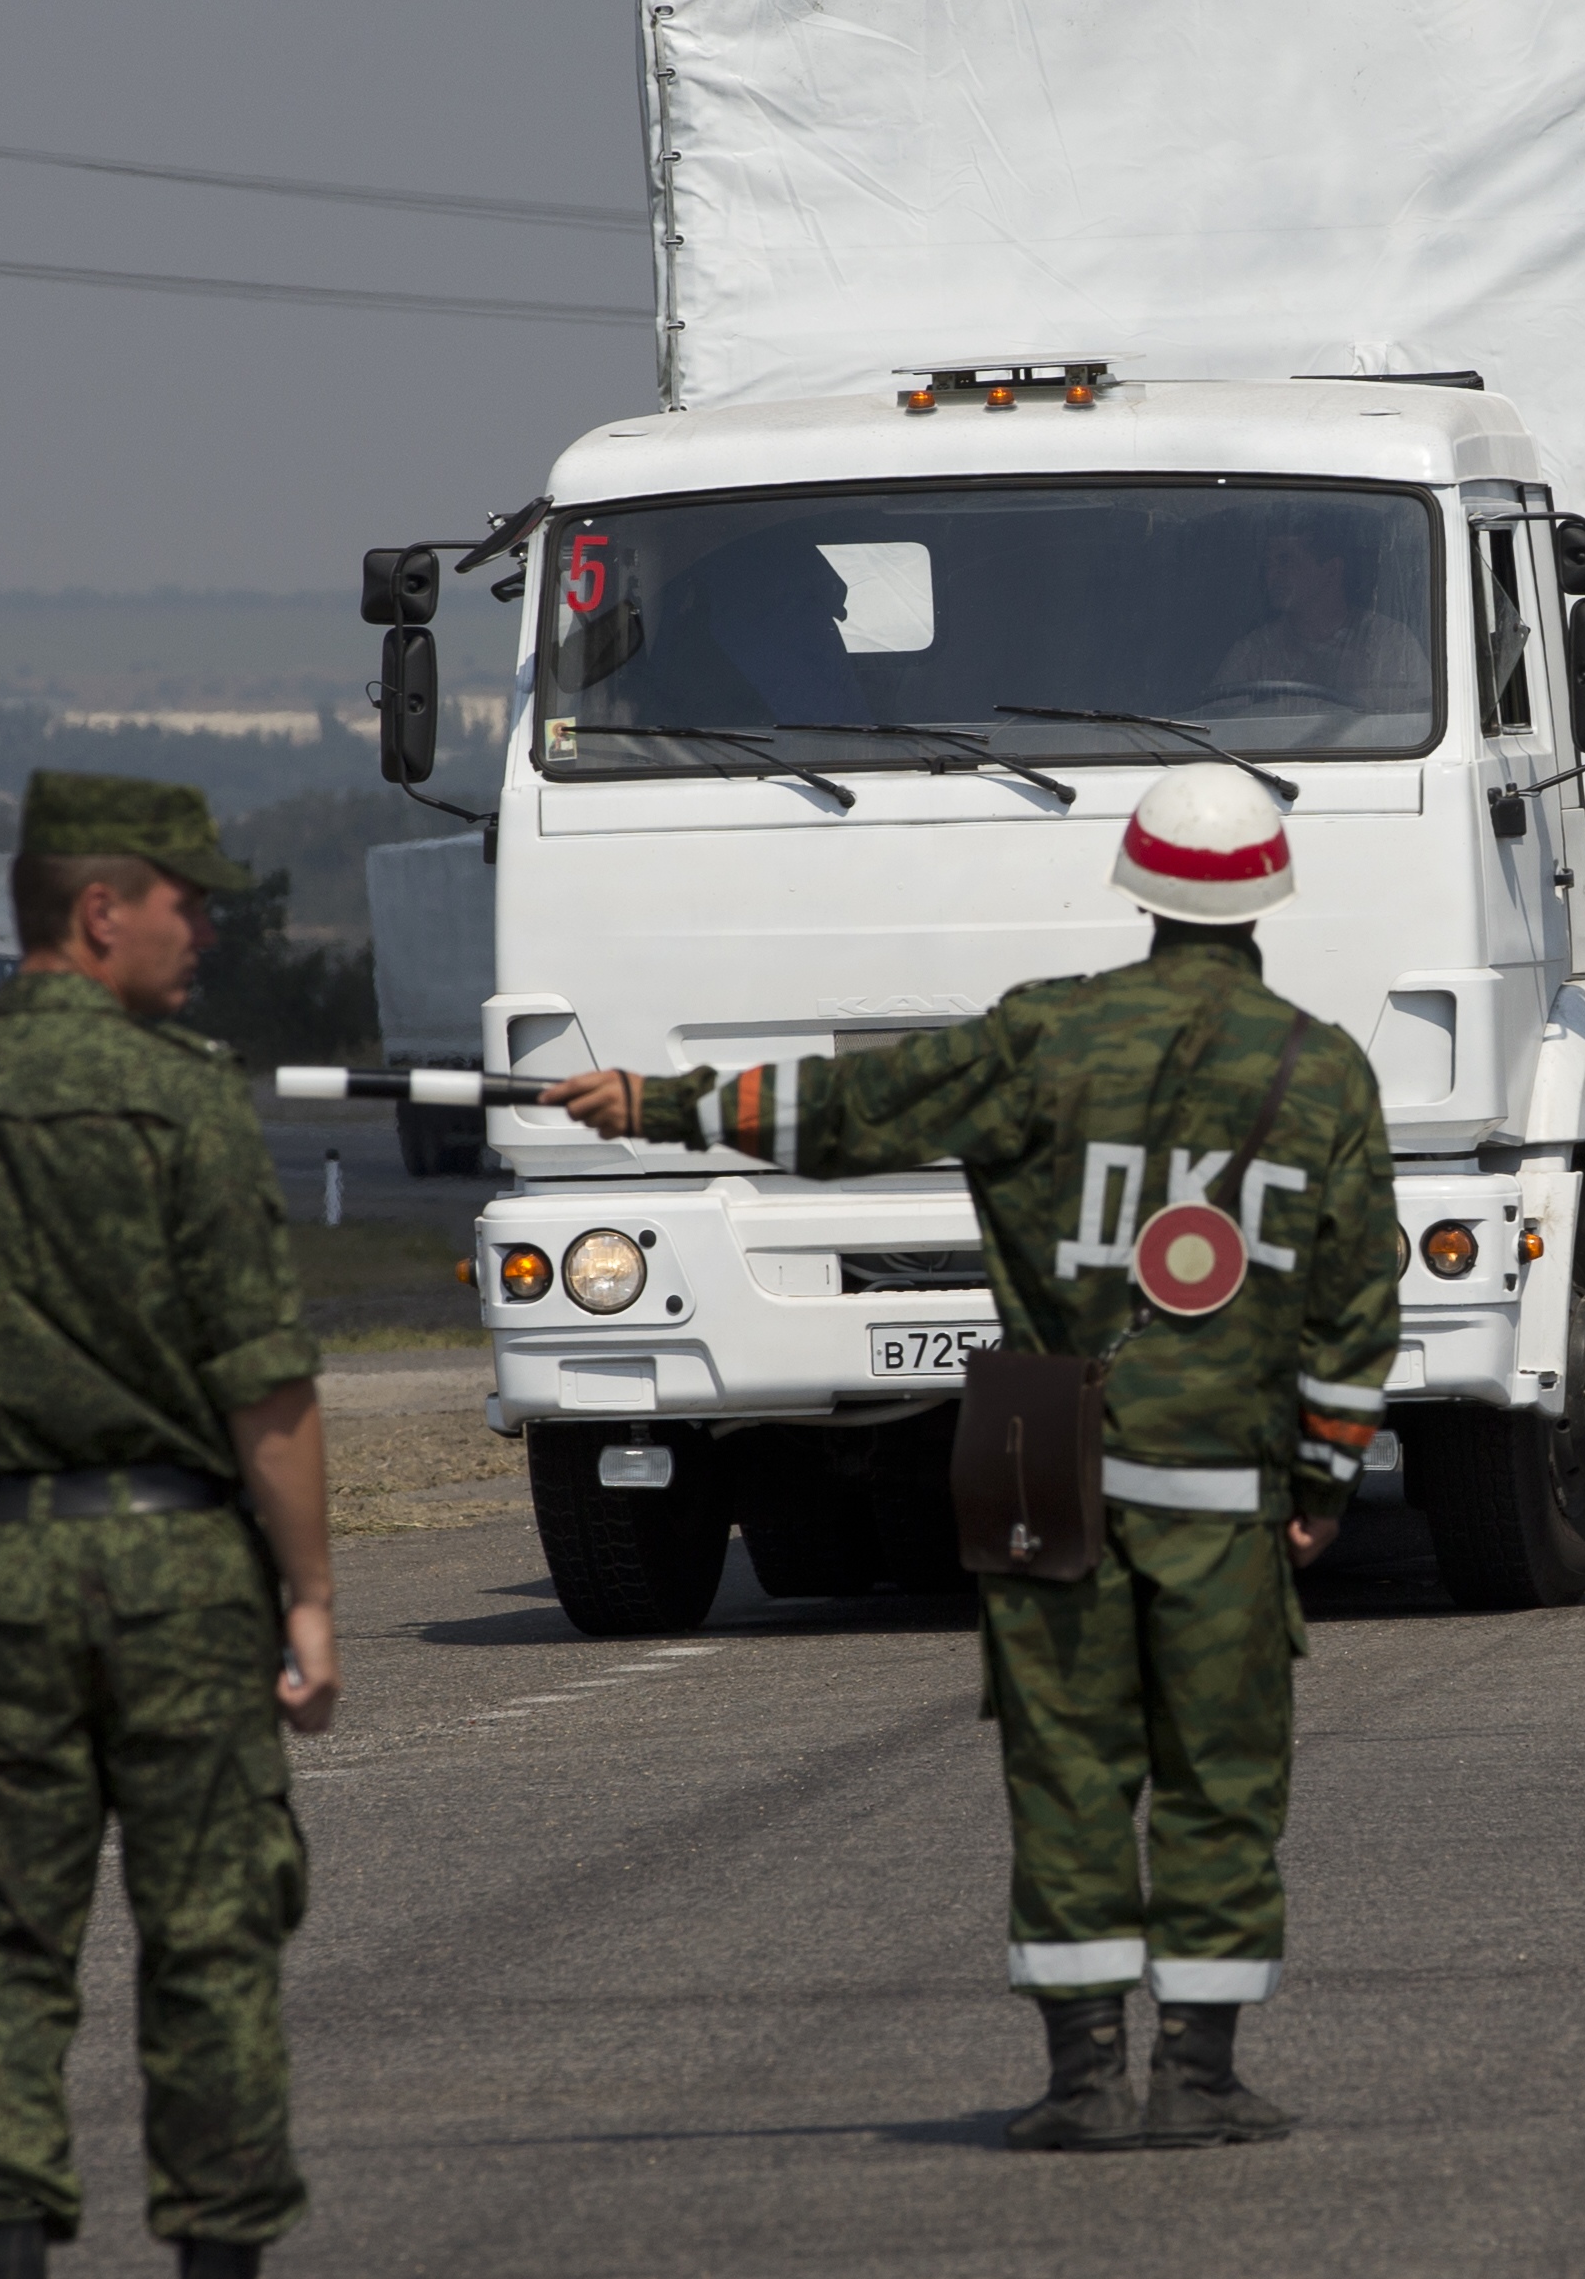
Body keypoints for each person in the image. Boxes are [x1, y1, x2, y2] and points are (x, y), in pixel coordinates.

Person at [548, 760, 1396, 2150]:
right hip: (1219, 1486)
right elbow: (1358, 1303)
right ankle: (1196, 2075)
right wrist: (1320, 1475)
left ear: (1134, 886)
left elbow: (845, 1114)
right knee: (1219, 1776)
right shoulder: (1321, 1072)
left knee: (1066, 1767)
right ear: (1265, 903)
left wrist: (653, 1100)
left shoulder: (1041, 1040)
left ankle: (1078, 2080)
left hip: (1036, 1451)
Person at [0, 771, 335, 2279]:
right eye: (181, 898)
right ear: (96, 911)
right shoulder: (186, 1107)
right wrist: (314, 1598)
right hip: (186, 1565)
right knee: (213, 1940)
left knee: (1, 1948)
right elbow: (268, 1389)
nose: (206, 924)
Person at [1211, 515, 1433, 717]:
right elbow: (1220, 727)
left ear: (1332, 570)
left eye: (1286, 561)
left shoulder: (1388, 641)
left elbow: (1416, 723)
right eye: (1268, 564)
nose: (1271, 575)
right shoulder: (1254, 651)